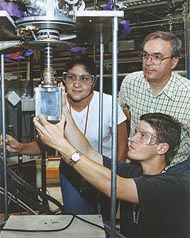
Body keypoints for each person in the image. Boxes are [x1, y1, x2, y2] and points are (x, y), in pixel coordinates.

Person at [1, 55, 128, 217]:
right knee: (76, 220)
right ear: (64, 80)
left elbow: (122, 148)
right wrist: (20, 147)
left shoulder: (108, 104)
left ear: (93, 81)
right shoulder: (55, 104)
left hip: (104, 169)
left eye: (84, 78)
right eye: (71, 77)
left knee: (102, 220)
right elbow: (44, 145)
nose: (76, 84)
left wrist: (115, 177)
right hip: (71, 171)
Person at [33, 109, 190, 238]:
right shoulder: (134, 172)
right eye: (135, 132)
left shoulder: (173, 184)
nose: (132, 139)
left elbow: (114, 186)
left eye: (143, 136)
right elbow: (88, 152)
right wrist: (65, 112)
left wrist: (62, 146)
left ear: (162, 148)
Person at [119, 31, 190, 174]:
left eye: (157, 57)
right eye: (145, 55)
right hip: (138, 166)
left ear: (174, 62)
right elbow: (125, 115)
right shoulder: (130, 83)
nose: (148, 62)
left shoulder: (187, 94)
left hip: (176, 171)